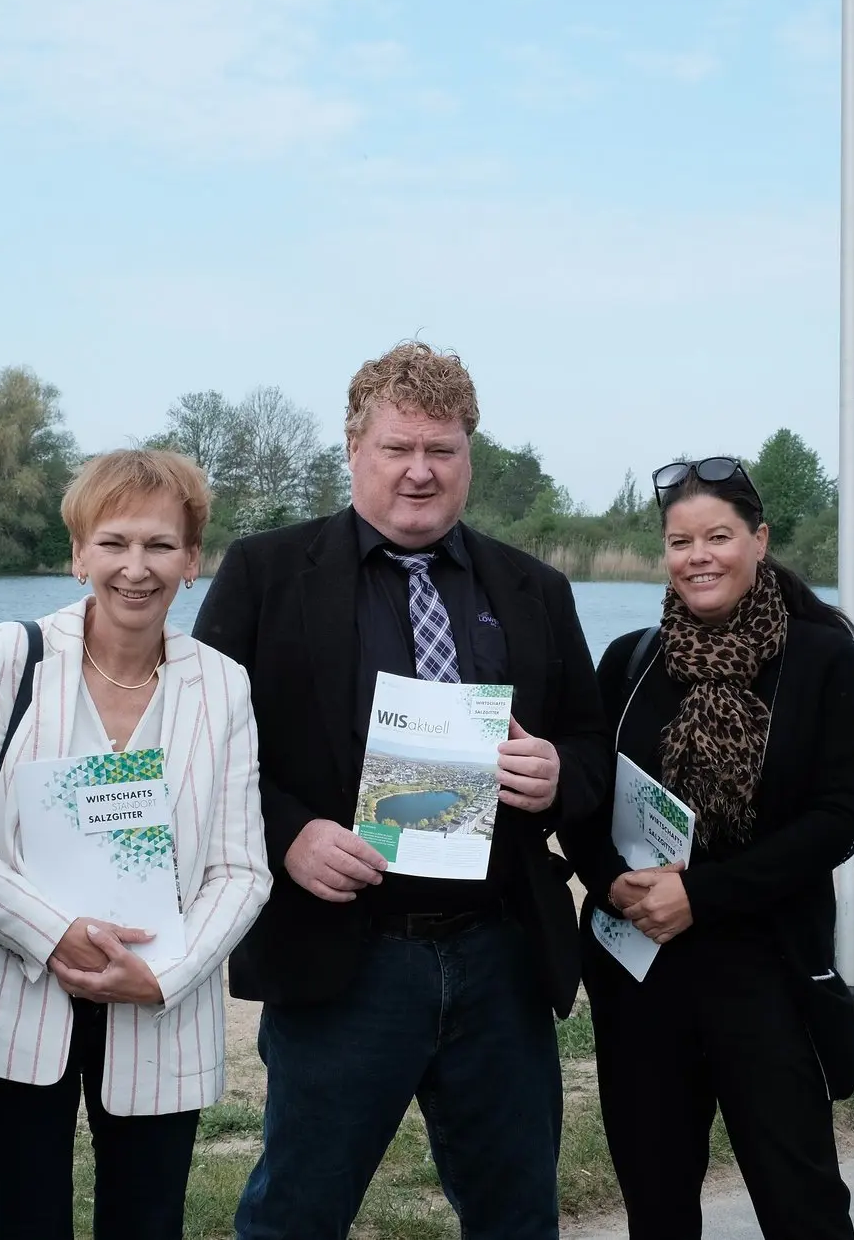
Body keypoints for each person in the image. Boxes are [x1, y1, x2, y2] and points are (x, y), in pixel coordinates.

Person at [194, 341, 612, 1240]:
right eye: (398, 447)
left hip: (498, 952)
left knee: (518, 1219)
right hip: (346, 957)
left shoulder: (535, 588)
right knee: (296, 1217)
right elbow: (202, 754)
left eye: (442, 449)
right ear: (354, 449)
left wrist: (556, 773)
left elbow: (590, 748)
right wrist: (289, 834)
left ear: (469, 456)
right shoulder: (266, 574)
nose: (420, 470)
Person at [0, 448, 271, 1240]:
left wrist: (161, 975)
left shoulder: (223, 684)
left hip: (160, 1007)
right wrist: (55, 932)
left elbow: (242, 869)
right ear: (78, 553)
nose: (136, 567)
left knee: (147, 1225)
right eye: (114, 542)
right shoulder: (13, 654)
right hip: (21, 996)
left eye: (160, 544)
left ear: (192, 560)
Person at [559, 457, 854, 1240]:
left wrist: (700, 896)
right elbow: (584, 796)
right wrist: (611, 882)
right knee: (657, 1211)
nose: (698, 555)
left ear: (758, 541)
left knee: (803, 1209)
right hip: (641, 977)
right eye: (680, 541)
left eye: (718, 537)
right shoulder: (630, 660)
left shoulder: (821, 656)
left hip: (768, 972)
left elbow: (837, 820)